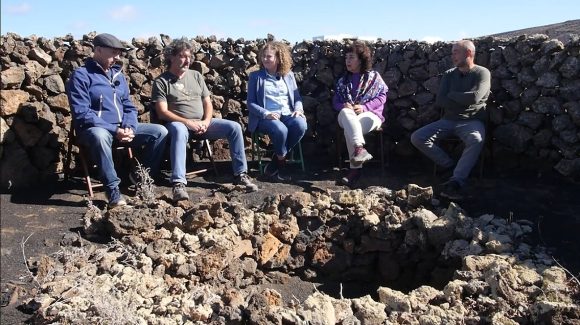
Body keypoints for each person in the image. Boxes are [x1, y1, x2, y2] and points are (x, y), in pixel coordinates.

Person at [67, 33, 168, 207]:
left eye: (119, 53)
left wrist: (129, 127)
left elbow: (129, 107)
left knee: (160, 132)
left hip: (121, 128)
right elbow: (82, 113)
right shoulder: (81, 75)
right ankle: (113, 192)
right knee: (100, 136)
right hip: (93, 130)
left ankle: (138, 176)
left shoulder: (118, 76)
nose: (117, 57)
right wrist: (115, 131)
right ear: (98, 50)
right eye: (113, 52)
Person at [151, 38, 258, 201]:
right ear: (171, 57)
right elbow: (162, 112)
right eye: (182, 56)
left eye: (189, 56)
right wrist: (188, 123)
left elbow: (207, 103)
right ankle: (179, 183)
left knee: (234, 127)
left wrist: (206, 121)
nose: (187, 60)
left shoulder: (196, 76)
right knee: (179, 130)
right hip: (179, 124)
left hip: (202, 123)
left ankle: (241, 174)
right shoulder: (161, 81)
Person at [411, 40, 491, 200]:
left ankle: (456, 181)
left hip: (472, 120)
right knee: (417, 137)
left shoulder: (482, 73)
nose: (452, 55)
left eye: (456, 52)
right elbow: (440, 100)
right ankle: (449, 165)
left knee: (476, 139)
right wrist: (462, 99)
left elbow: (475, 98)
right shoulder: (449, 74)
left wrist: (452, 95)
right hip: (448, 120)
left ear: (468, 53)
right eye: (453, 52)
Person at [247, 41, 307, 181]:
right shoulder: (256, 77)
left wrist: (298, 109)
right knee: (281, 130)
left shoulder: (289, 75)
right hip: (265, 117)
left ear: (279, 58)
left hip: (288, 113)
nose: (265, 59)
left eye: (269, 56)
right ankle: (282, 167)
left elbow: (297, 97)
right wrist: (265, 113)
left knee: (301, 125)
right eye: (263, 56)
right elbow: (250, 103)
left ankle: (276, 160)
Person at [333, 41, 388, 187]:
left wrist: (364, 107)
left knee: (350, 129)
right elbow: (335, 103)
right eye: (346, 58)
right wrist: (343, 105)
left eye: (351, 57)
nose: (347, 61)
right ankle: (359, 149)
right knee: (347, 114)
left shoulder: (374, 77)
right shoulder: (342, 81)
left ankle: (355, 171)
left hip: (371, 114)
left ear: (361, 59)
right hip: (346, 115)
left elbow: (382, 97)